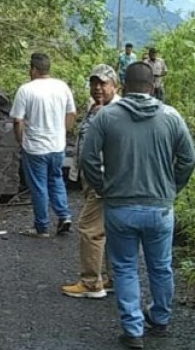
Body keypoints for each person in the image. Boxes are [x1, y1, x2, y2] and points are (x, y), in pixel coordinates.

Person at [81, 62, 195, 349]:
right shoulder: (171, 116)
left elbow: (87, 159)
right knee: (161, 267)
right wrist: (172, 189)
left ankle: (133, 328)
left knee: (126, 268)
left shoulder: (105, 117)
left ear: (123, 84)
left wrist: (103, 187)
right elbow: (188, 159)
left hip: (120, 207)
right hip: (159, 207)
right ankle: (160, 318)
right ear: (153, 85)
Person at [62, 64, 120, 299]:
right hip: (93, 178)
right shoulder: (95, 106)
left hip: (103, 181)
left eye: (103, 83)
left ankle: (90, 283)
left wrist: (101, 180)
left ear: (114, 86)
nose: (97, 88)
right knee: (109, 229)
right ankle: (111, 278)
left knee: (89, 229)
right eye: (94, 83)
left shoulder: (116, 111)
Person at [10, 52, 76, 238]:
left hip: (35, 147)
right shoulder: (62, 87)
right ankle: (64, 215)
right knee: (55, 180)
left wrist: (20, 139)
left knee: (39, 186)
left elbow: (18, 120)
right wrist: (62, 132)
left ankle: (42, 227)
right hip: (57, 146)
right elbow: (71, 113)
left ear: (33, 69)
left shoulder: (26, 90)